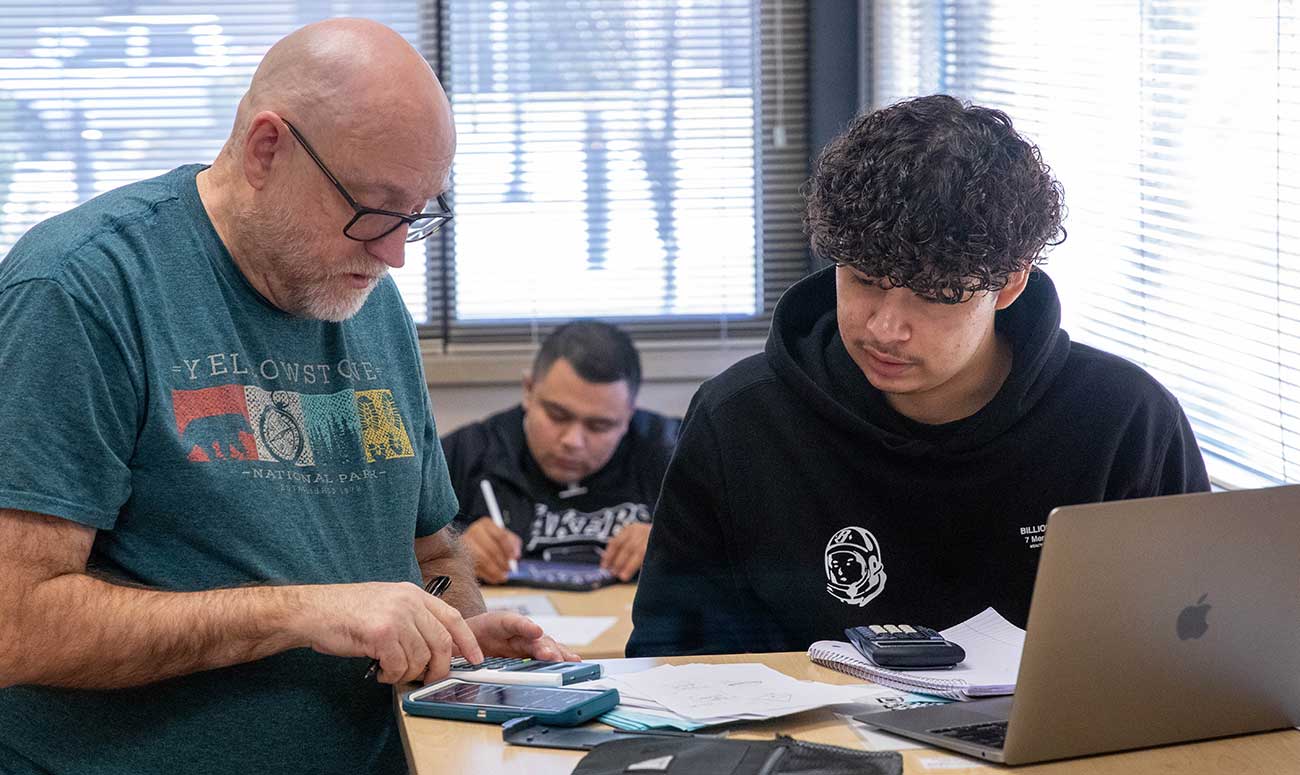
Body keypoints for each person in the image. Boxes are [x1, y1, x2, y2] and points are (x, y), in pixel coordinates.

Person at [0, 19, 577, 775]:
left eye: (417, 214)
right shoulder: (82, 291)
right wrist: (300, 611)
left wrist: (458, 632)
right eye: (374, 209)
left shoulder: (367, 300)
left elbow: (428, 550)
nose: (394, 253)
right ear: (266, 149)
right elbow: (17, 622)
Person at [627, 94, 1211, 658]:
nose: (884, 328)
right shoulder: (741, 420)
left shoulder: (1124, 419)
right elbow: (673, 663)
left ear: (1007, 284)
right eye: (863, 280)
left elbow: (1193, 650)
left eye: (932, 296)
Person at [442, 320, 680, 584]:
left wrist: (674, 541)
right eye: (557, 416)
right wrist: (451, 551)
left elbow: (726, 548)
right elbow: (401, 554)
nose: (573, 441)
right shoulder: (465, 455)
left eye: (599, 426)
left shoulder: (674, 452)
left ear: (628, 416)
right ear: (529, 391)